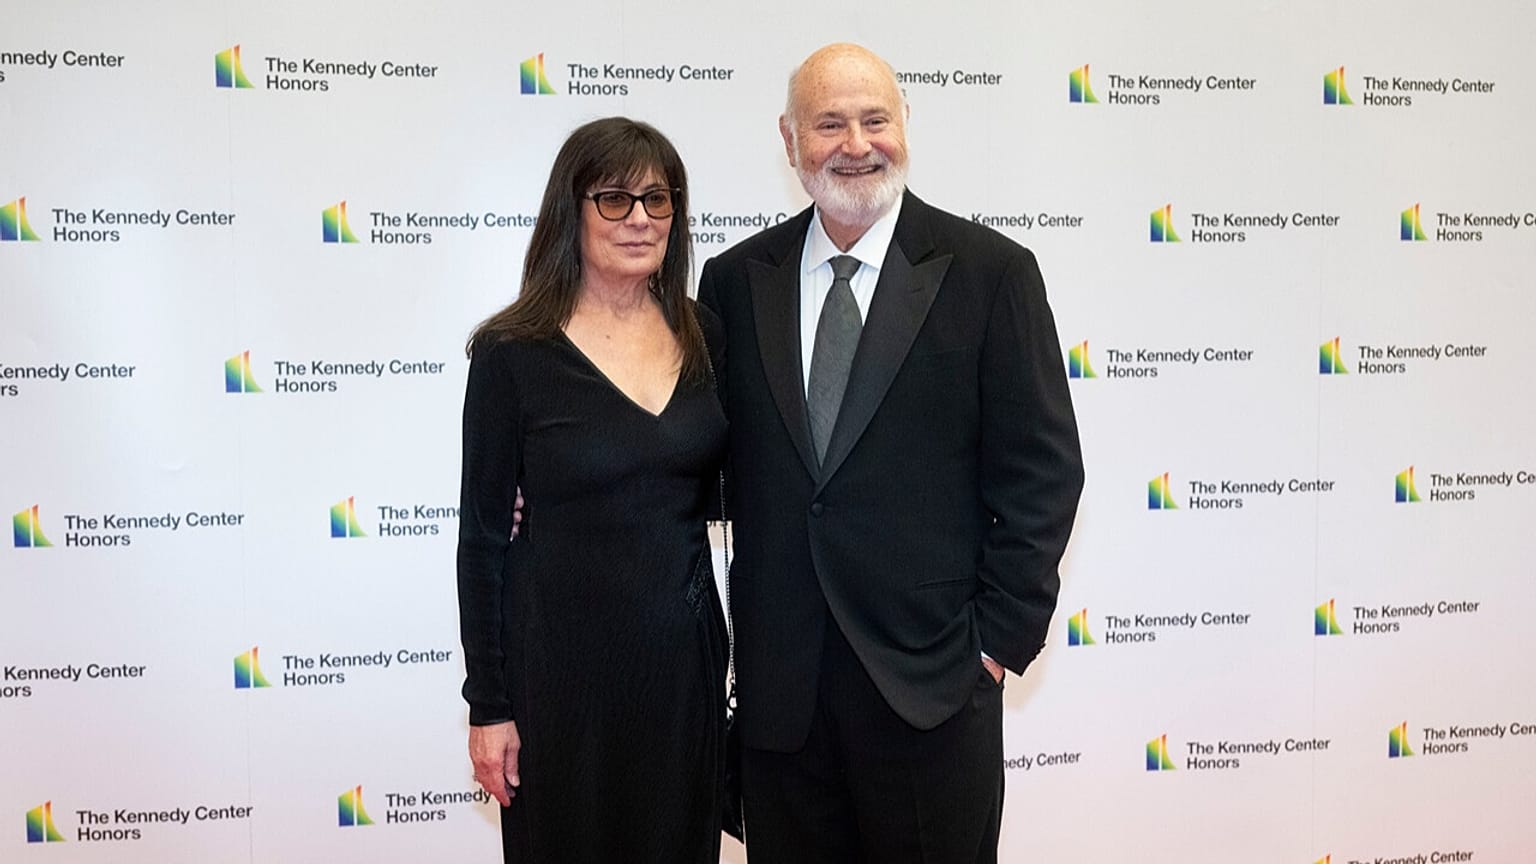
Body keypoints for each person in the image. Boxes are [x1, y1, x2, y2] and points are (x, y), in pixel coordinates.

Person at [696, 43, 1084, 863]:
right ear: (790, 138)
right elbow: (705, 457)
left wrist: (991, 648)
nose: (856, 142)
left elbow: (1043, 473)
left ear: (906, 124)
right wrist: (555, 491)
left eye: (875, 118)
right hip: (782, 704)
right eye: (829, 122)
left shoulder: (991, 274)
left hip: (933, 694)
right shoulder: (735, 282)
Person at [457, 116, 727, 864]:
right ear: (569, 211)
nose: (640, 219)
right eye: (614, 198)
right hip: (557, 679)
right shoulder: (511, 353)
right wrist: (490, 704)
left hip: (682, 672)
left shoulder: (707, 334)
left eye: (658, 199)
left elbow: (714, 485)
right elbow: (480, 541)